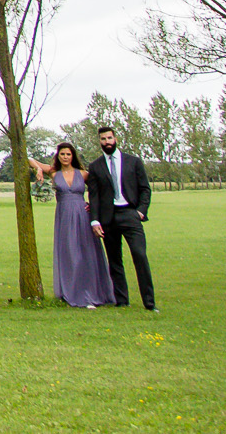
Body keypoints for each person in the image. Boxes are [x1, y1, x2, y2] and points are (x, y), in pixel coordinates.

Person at [26, 142, 114, 308]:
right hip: (64, 216)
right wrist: (38, 169)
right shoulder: (53, 172)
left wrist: (93, 205)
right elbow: (29, 159)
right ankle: (71, 292)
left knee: (86, 253)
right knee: (69, 253)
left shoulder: (83, 174)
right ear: (58, 156)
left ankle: (91, 293)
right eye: (62, 154)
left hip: (83, 215)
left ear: (73, 156)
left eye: (68, 154)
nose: (65, 157)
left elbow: (99, 190)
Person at [85, 125, 156, 312]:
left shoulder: (133, 162)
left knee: (140, 256)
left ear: (115, 139)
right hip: (108, 219)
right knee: (115, 261)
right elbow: (94, 196)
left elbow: (145, 189)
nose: (106, 142)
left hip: (130, 215)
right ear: (99, 141)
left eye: (109, 138)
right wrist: (95, 220)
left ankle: (150, 303)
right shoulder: (95, 166)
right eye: (103, 139)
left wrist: (140, 211)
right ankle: (122, 301)